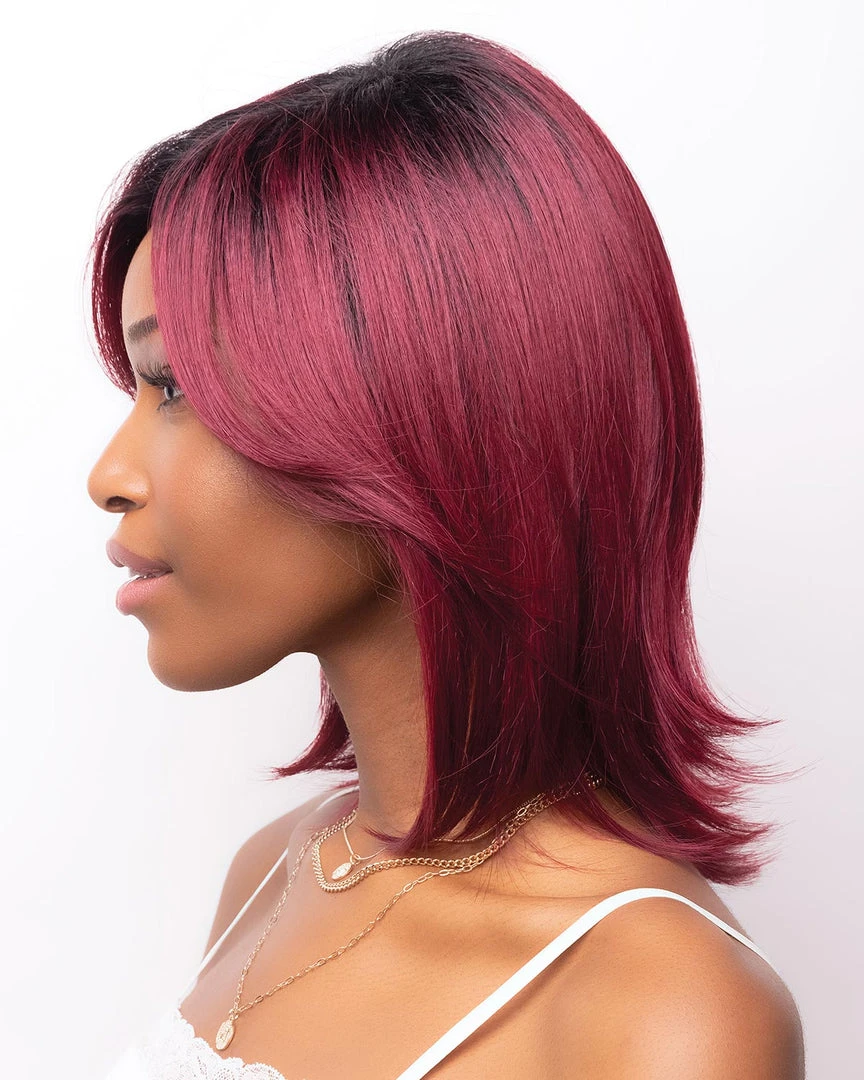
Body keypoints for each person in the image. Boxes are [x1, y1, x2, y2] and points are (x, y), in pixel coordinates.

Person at [87, 29, 805, 1080]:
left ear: (413, 408)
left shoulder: (663, 1013)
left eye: (176, 386)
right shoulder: (275, 874)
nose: (109, 474)